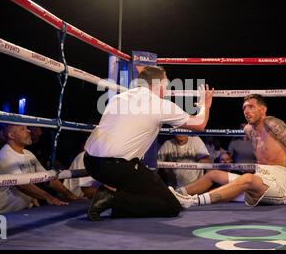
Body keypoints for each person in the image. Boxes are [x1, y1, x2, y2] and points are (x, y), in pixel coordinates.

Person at [83, 65, 214, 221]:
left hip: (90, 162)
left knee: (148, 185)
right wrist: (204, 105)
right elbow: (199, 123)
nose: (167, 89)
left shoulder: (118, 98)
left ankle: (114, 197)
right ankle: (112, 198)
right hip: (118, 168)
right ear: (158, 84)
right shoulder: (159, 105)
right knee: (170, 206)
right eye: (166, 84)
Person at [170, 94, 286, 208]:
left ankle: (193, 201)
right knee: (213, 174)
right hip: (259, 180)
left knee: (248, 178)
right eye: (244, 108)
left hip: (280, 183)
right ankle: (176, 194)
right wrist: (205, 107)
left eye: (251, 107)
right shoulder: (249, 130)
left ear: (263, 109)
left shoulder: (273, 123)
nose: (246, 111)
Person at [0, 124, 80, 216]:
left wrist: (70, 195)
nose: (28, 130)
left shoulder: (28, 154)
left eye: (27, 128)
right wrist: (49, 197)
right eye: (23, 129)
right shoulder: (5, 156)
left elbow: (49, 178)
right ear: (11, 135)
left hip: (17, 213)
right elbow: (22, 185)